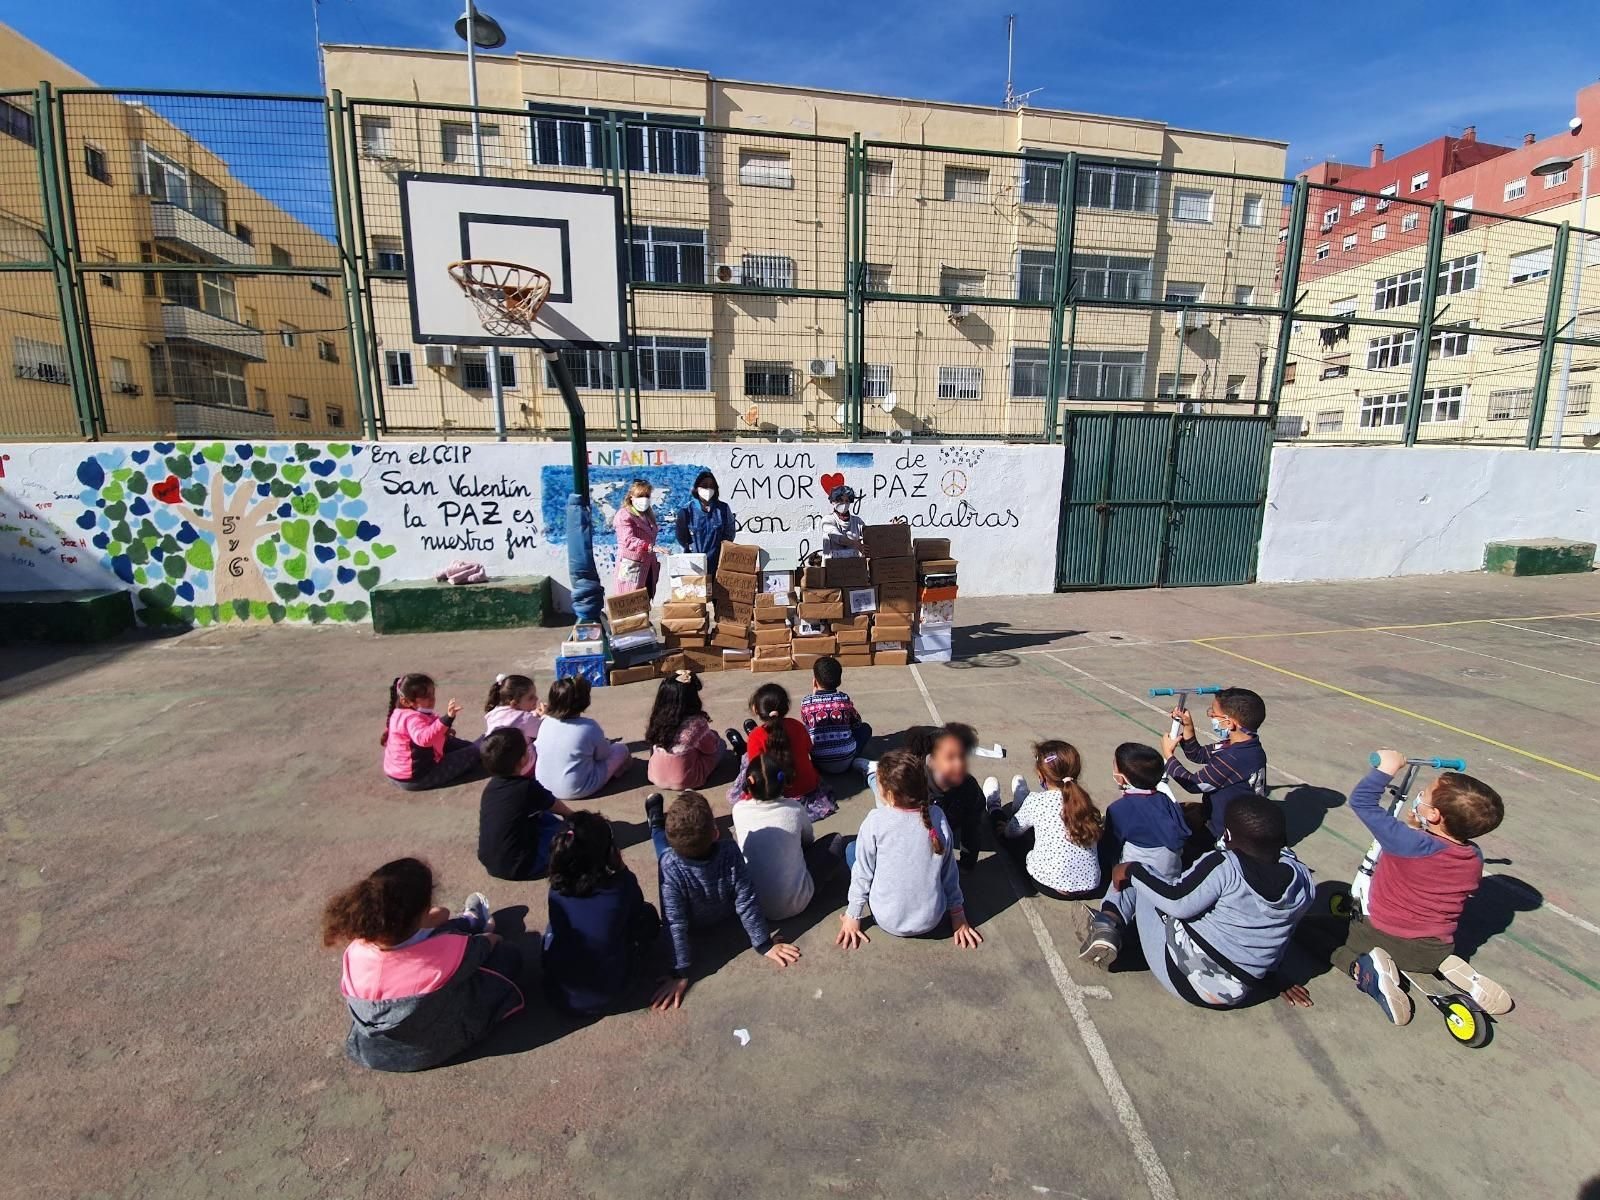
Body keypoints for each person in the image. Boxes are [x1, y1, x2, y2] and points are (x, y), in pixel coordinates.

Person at [1296, 749, 1509, 1024]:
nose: (1420, 794)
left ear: (1433, 815)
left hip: (1384, 936)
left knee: (1307, 930)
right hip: (1437, 946)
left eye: (1426, 792)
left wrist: (1386, 769)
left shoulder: (1409, 843)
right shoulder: (1473, 856)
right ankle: (1452, 968)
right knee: (1425, 942)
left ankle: (1368, 973)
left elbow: (1362, 802)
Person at [1078, 795, 1313, 1011]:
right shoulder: (1303, 879)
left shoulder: (1225, 865)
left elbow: (1175, 900)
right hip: (1237, 991)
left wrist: (1132, 869)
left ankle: (1106, 924)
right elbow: (1283, 933)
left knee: (1141, 878)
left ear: (1227, 835)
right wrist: (1273, 975)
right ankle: (1120, 929)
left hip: (1185, 977)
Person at [322, 858, 523, 1071]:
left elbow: (429, 922)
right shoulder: (444, 955)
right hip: (436, 1046)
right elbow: (486, 944)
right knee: (508, 955)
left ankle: (468, 921)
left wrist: (429, 920)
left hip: (373, 1051)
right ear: (422, 914)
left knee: (440, 938)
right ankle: (471, 922)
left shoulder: (355, 951)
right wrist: (491, 938)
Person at [643, 789, 802, 1010]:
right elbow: (746, 899)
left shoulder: (669, 865)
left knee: (662, 848)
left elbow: (675, 921)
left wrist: (681, 971)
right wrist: (763, 943)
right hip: (724, 914)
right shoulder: (729, 851)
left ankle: (658, 823)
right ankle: (657, 822)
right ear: (716, 833)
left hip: (693, 917)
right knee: (665, 849)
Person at [837, 748, 983, 950]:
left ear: (888, 795)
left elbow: (863, 872)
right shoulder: (937, 817)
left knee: (852, 850)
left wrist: (853, 915)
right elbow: (949, 872)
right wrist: (957, 915)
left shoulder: (875, 821)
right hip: (932, 919)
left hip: (886, 919)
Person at [541, 811, 662, 1017]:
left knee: (554, 930)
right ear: (609, 854)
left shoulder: (556, 890)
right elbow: (637, 911)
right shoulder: (619, 889)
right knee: (648, 915)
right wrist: (623, 870)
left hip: (559, 992)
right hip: (609, 993)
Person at [732, 752, 846, 920]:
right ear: (783, 783)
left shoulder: (738, 810)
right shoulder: (793, 808)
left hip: (755, 906)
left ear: (748, 784)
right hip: (797, 903)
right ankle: (814, 886)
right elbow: (808, 840)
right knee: (836, 840)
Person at [986, 741, 1103, 899]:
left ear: (1041, 776)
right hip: (1090, 886)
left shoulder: (1038, 801)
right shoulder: (1083, 801)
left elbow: (1012, 831)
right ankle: (1020, 802)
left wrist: (1005, 829)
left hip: (1050, 886)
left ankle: (994, 807)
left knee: (1013, 836)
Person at [875, 723, 986, 871]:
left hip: (933, 828)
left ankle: (871, 773)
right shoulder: (912, 781)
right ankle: (871, 773)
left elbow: (973, 827)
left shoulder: (967, 787)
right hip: (939, 825)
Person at [1163, 686, 1268, 840]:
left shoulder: (1234, 758)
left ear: (1229, 723)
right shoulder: (1240, 746)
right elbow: (1197, 755)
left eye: (1213, 713)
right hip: (1218, 814)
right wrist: (1188, 725)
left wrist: (1168, 756)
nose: (1210, 715)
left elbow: (1194, 784)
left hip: (1225, 831)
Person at [477, 727, 572, 882]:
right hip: (524, 865)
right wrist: (574, 817)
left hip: (491, 862)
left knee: (539, 814)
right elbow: (555, 805)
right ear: (523, 759)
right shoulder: (526, 788)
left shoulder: (491, 788)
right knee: (570, 837)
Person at [731, 682, 835, 820]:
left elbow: (756, 772)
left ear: (756, 710)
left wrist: (748, 797)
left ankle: (740, 747)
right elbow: (809, 748)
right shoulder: (797, 726)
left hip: (773, 791)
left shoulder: (756, 737)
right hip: (807, 786)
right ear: (786, 707)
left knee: (746, 759)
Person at [534, 676, 633, 802]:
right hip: (577, 789)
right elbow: (603, 755)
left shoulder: (545, 722)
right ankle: (615, 773)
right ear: (585, 702)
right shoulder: (589, 727)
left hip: (543, 785)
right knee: (621, 749)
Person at [380, 673, 486, 791]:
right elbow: (424, 739)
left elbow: (425, 730)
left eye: (432, 693)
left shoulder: (399, 713)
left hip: (396, 774)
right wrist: (447, 719)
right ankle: (489, 741)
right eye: (425, 696)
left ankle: (480, 748)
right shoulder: (412, 719)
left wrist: (443, 729)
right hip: (417, 777)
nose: (432, 698)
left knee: (467, 748)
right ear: (406, 701)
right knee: (476, 750)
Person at [1102, 742, 1191, 879]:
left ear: (1121, 778)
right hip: (1172, 875)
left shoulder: (1119, 809)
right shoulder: (1167, 800)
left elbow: (1110, 848)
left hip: (1139, 880)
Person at [645, 670, 729, 791]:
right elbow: (711, 749)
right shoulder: (697, 724)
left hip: (655, 776)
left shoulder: (657, 719)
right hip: (686, 780)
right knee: (720, 744)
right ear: (693, 698)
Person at [801, 655, 872, 775]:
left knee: (804, 729)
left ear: (814, 681)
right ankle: (848, 755)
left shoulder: (806, 702)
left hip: (818, 762)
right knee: (865, 728)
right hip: (846, 761)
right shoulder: (844, 699)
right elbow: (857, 723)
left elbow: (807, 724)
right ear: (839, 681)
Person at [675, 469, 737, 578]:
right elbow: (682, 537)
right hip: (694, 564)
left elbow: (729, 533)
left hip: (718, 563)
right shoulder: (686, 511)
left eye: (711, 486)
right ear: (697, 488)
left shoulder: (723, 509)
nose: (708, 489)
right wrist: (691, 550)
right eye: (704, 485)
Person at [483, 672, 542, 776]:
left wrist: (533, 714)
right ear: (514, 703)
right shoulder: (524, 719)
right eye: (531, 697)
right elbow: (543, 730)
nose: (536, 699)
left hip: (500, 766)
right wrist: (544, 716)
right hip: (525, 767)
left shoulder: (494, 713)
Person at [612, 478, 660, 597]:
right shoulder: (624, 515)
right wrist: (649, 547)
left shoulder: (648, 515)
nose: (644, 499)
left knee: (645, 601)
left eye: (647, 495)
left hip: (648, 566)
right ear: (631, 497)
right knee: (631, 602)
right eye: (640, 495)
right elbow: (628, 540)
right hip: (631, 566)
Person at [819, 483, 864, 556]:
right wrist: (854, 543)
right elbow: (836, 536)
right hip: (832, 564)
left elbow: (868, 533)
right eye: (840, 501)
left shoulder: (857, 521)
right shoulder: (827, 520)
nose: (844, 504)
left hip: (854, 564)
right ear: (833, 502)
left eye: (847, 501)